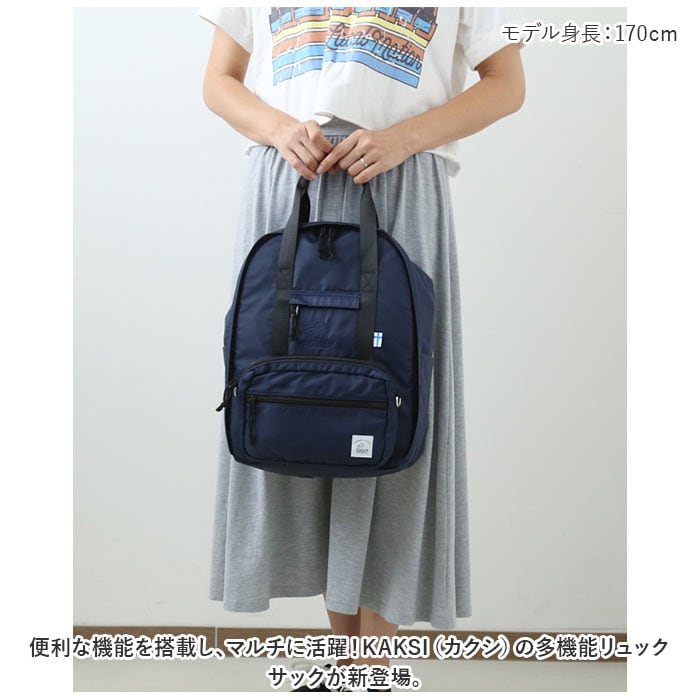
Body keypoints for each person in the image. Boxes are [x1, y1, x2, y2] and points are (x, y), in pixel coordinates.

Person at [198, 5, 525, 683]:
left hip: (399, 182)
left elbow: (506, 84)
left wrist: (404, 139)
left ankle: (367, 663)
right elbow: (220, 80)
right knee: (298, 408)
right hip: (289, 181)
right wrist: (280, 129)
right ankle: (358, 664)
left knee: (390, 408)